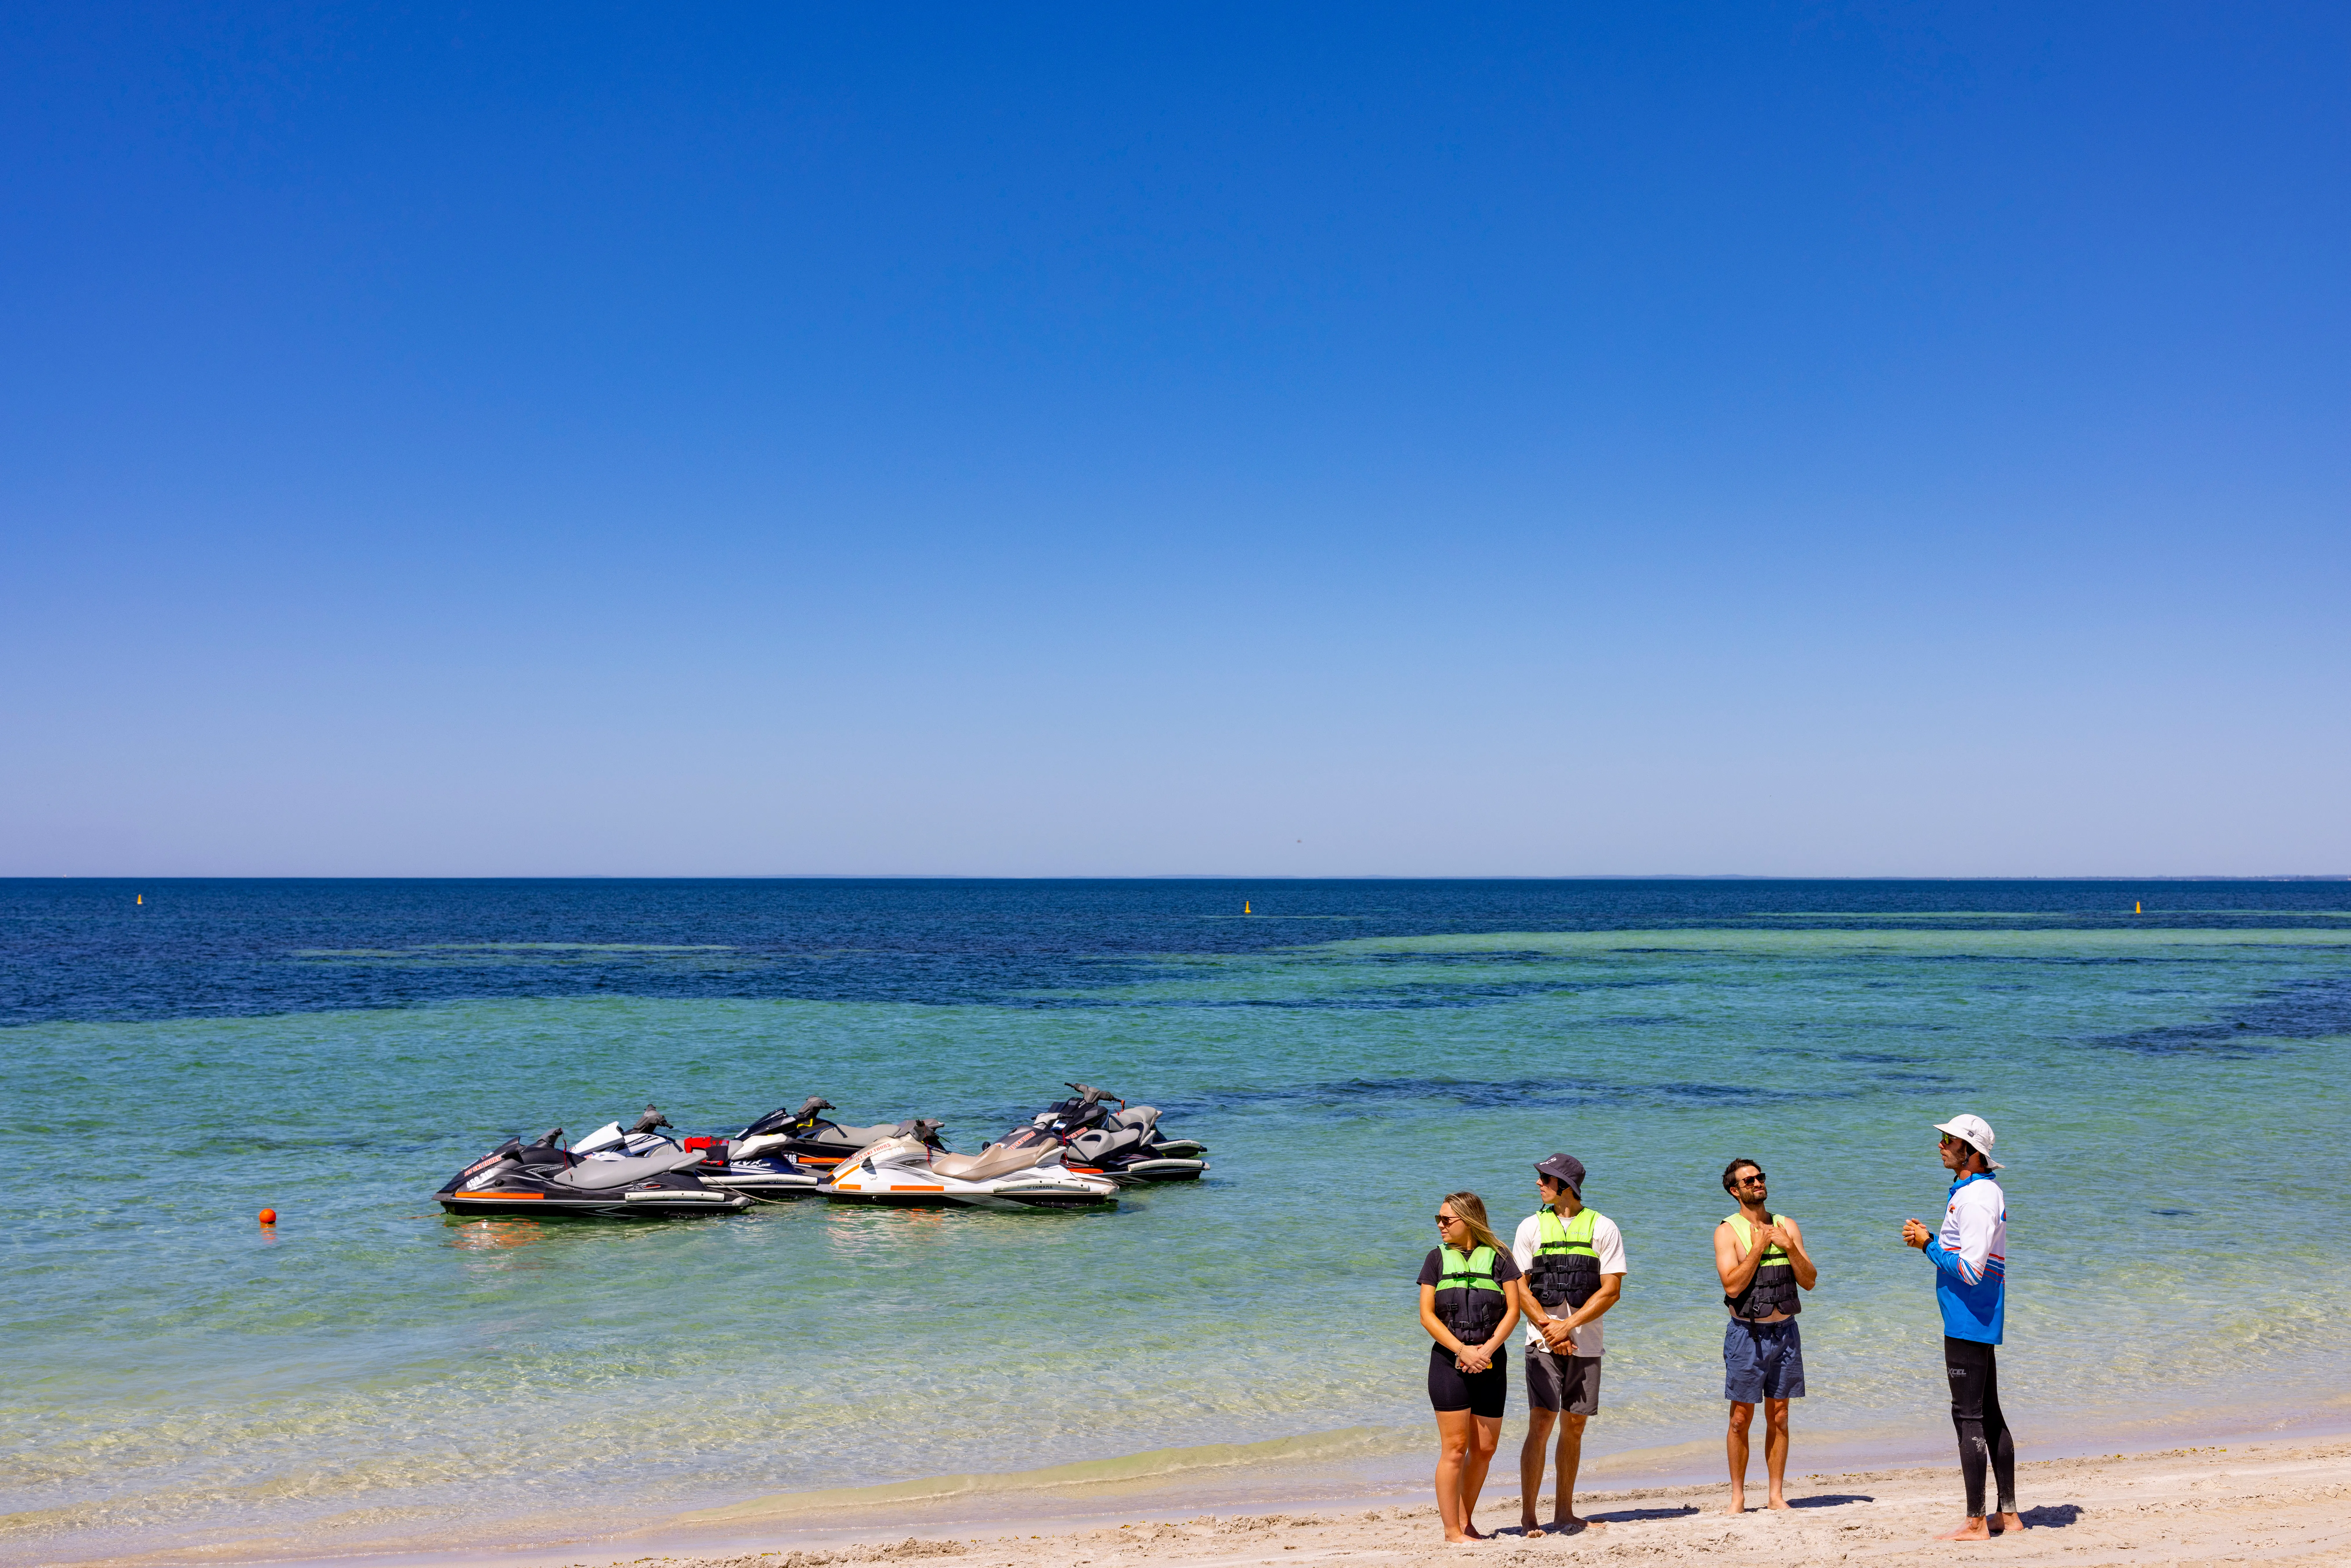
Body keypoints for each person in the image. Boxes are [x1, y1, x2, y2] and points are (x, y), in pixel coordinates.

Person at [1902, 1113, 2025, 1541]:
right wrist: (1933, 1239)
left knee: (1969, 1416)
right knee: (1987, 1412)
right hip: (1976, 1314)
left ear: (1972, 1153)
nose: (1940, 1145)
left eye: (1949, 1140)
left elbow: (1971, 1270)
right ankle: (2007, 1514)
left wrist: (1927, 1245)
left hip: (1968, 1317)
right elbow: (1970, 1252)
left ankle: (1975, 1522)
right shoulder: (1976, 1192)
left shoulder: (1975, 1197)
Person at [1510, 1153, 1627, 1537]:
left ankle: (1564, 1509)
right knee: (1541, 1423)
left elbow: (1611, 1290)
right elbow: (1519, 1287)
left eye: (1545, 1178)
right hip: (1541, 1341)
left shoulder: (1604, 1226)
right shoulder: (1530, 1226)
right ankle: (1529, 1515)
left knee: (1573, 1426)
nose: (1539, 1183)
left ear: (1566, 1184)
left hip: (1586, 1342)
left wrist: (1570, 1326)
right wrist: (1548, 1328)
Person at [1419, 1191, 1524, 1543]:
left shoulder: (1500, 1258)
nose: (1440, 1225)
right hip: (1449, 1360)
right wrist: (1463, 1350)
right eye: (1439, 1219)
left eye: (1447, 1220)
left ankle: (1465, 1522)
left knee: (1485, 1448)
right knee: (1455, 1447)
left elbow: (1513, 1311)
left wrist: (1487, 1350)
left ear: (1469, 1220)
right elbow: (1427, 1316)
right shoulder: (1436, 1259)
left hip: (1492, 1360)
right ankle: (1451, 1532)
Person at [1715, 1157, 1818, 1513]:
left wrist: (1788, 1246)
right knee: (1740, 1418)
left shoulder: (1786, 1225)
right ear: (1735, 1191)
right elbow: (1731, 1285)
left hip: (1786, 1333)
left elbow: (1809, 1280)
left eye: (1760, 1178)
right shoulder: (1727, 1231)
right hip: (1747, 1335)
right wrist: (1759, 1246)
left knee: (1780, 1416)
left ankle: (1775, 1495)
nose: (1757, 1183)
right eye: (1749, 1181)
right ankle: (1738, 1498)